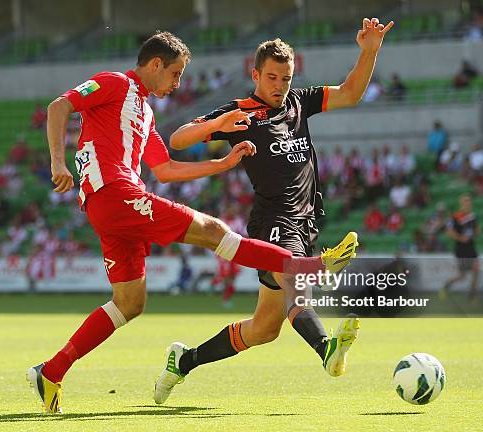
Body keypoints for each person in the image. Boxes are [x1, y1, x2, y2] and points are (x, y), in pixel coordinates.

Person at [27, 31, 353, 414]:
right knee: (214, 231)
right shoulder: (114, 83)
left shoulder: (145, 113)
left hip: (114, 211)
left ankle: (52, 371)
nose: (178, 84)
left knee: (130, 303)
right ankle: (311, 266)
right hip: (114, 193)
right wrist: (58, 161)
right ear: (155, 64)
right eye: (176, 74)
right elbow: (58, 106)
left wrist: (221, 164)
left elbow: (164, 169)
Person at [160, 18, 393, 404]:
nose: (280, 87)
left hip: (306, 222)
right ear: (255, 74)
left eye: (286, 78)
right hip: (272, 222)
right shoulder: (240, 112)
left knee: (265, 328)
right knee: (294, 283)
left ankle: (183, 361)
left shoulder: (299, 101)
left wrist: (369, 52)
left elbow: (351, 92)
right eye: (272, 78)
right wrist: (218, 123)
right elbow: (178, 139)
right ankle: (326, 349)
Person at [440, 194, 480, 302]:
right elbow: (448, 232)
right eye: (466, 201)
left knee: (476, 271)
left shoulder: (472, 216)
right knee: (462, 275)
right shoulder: (455, 217)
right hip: (461, 249)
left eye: (469, 201)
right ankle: (446, 286)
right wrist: (461, 238)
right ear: (461, 203)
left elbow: (476, 230)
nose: (468, 203)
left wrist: (476, 232)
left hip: (471, 247)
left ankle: (472, 296)